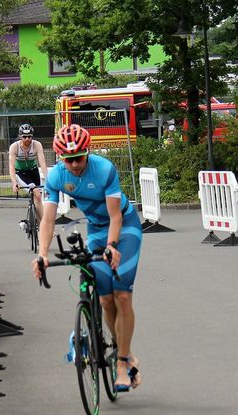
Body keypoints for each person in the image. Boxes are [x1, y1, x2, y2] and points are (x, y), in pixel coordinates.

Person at [32, 124, 143, 392]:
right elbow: (48, 220)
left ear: (87, 153)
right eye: (68, 160)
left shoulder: (104, 169)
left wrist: (112, 245)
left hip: (124, 228)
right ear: (60, 158)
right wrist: (42, 254)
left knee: (122, 295)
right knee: (105, 300)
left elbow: (115, 216)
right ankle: (121, 348)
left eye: (79, 158)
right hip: (95, 229)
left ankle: (122, 360)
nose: (74, 165)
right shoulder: (56, 177)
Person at [9, 123, 48, 220]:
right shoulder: (14, 147)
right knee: (36, 193)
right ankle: (43, 224)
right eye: (24, 137)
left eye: (29, 137)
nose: (27, 139)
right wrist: (14, 183)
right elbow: (11, 166)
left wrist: (48, 179)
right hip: (21, 173)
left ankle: (40, 223)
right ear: (20, 137)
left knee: (38, 198)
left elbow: (42, 163)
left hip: (33, 171)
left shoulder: (37, 145)